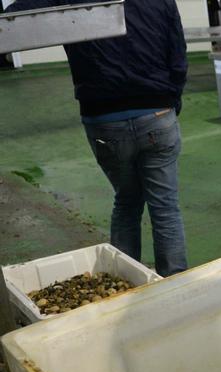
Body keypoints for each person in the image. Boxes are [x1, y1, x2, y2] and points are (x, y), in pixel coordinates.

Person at [4, 0, 188, 276]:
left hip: (104, 120)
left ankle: (125, 285)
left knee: (126, 201)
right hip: (157, 113)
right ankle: (175, 286)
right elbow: (177, 53)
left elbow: (13, 18)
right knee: (165, 207)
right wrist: (171, 100)